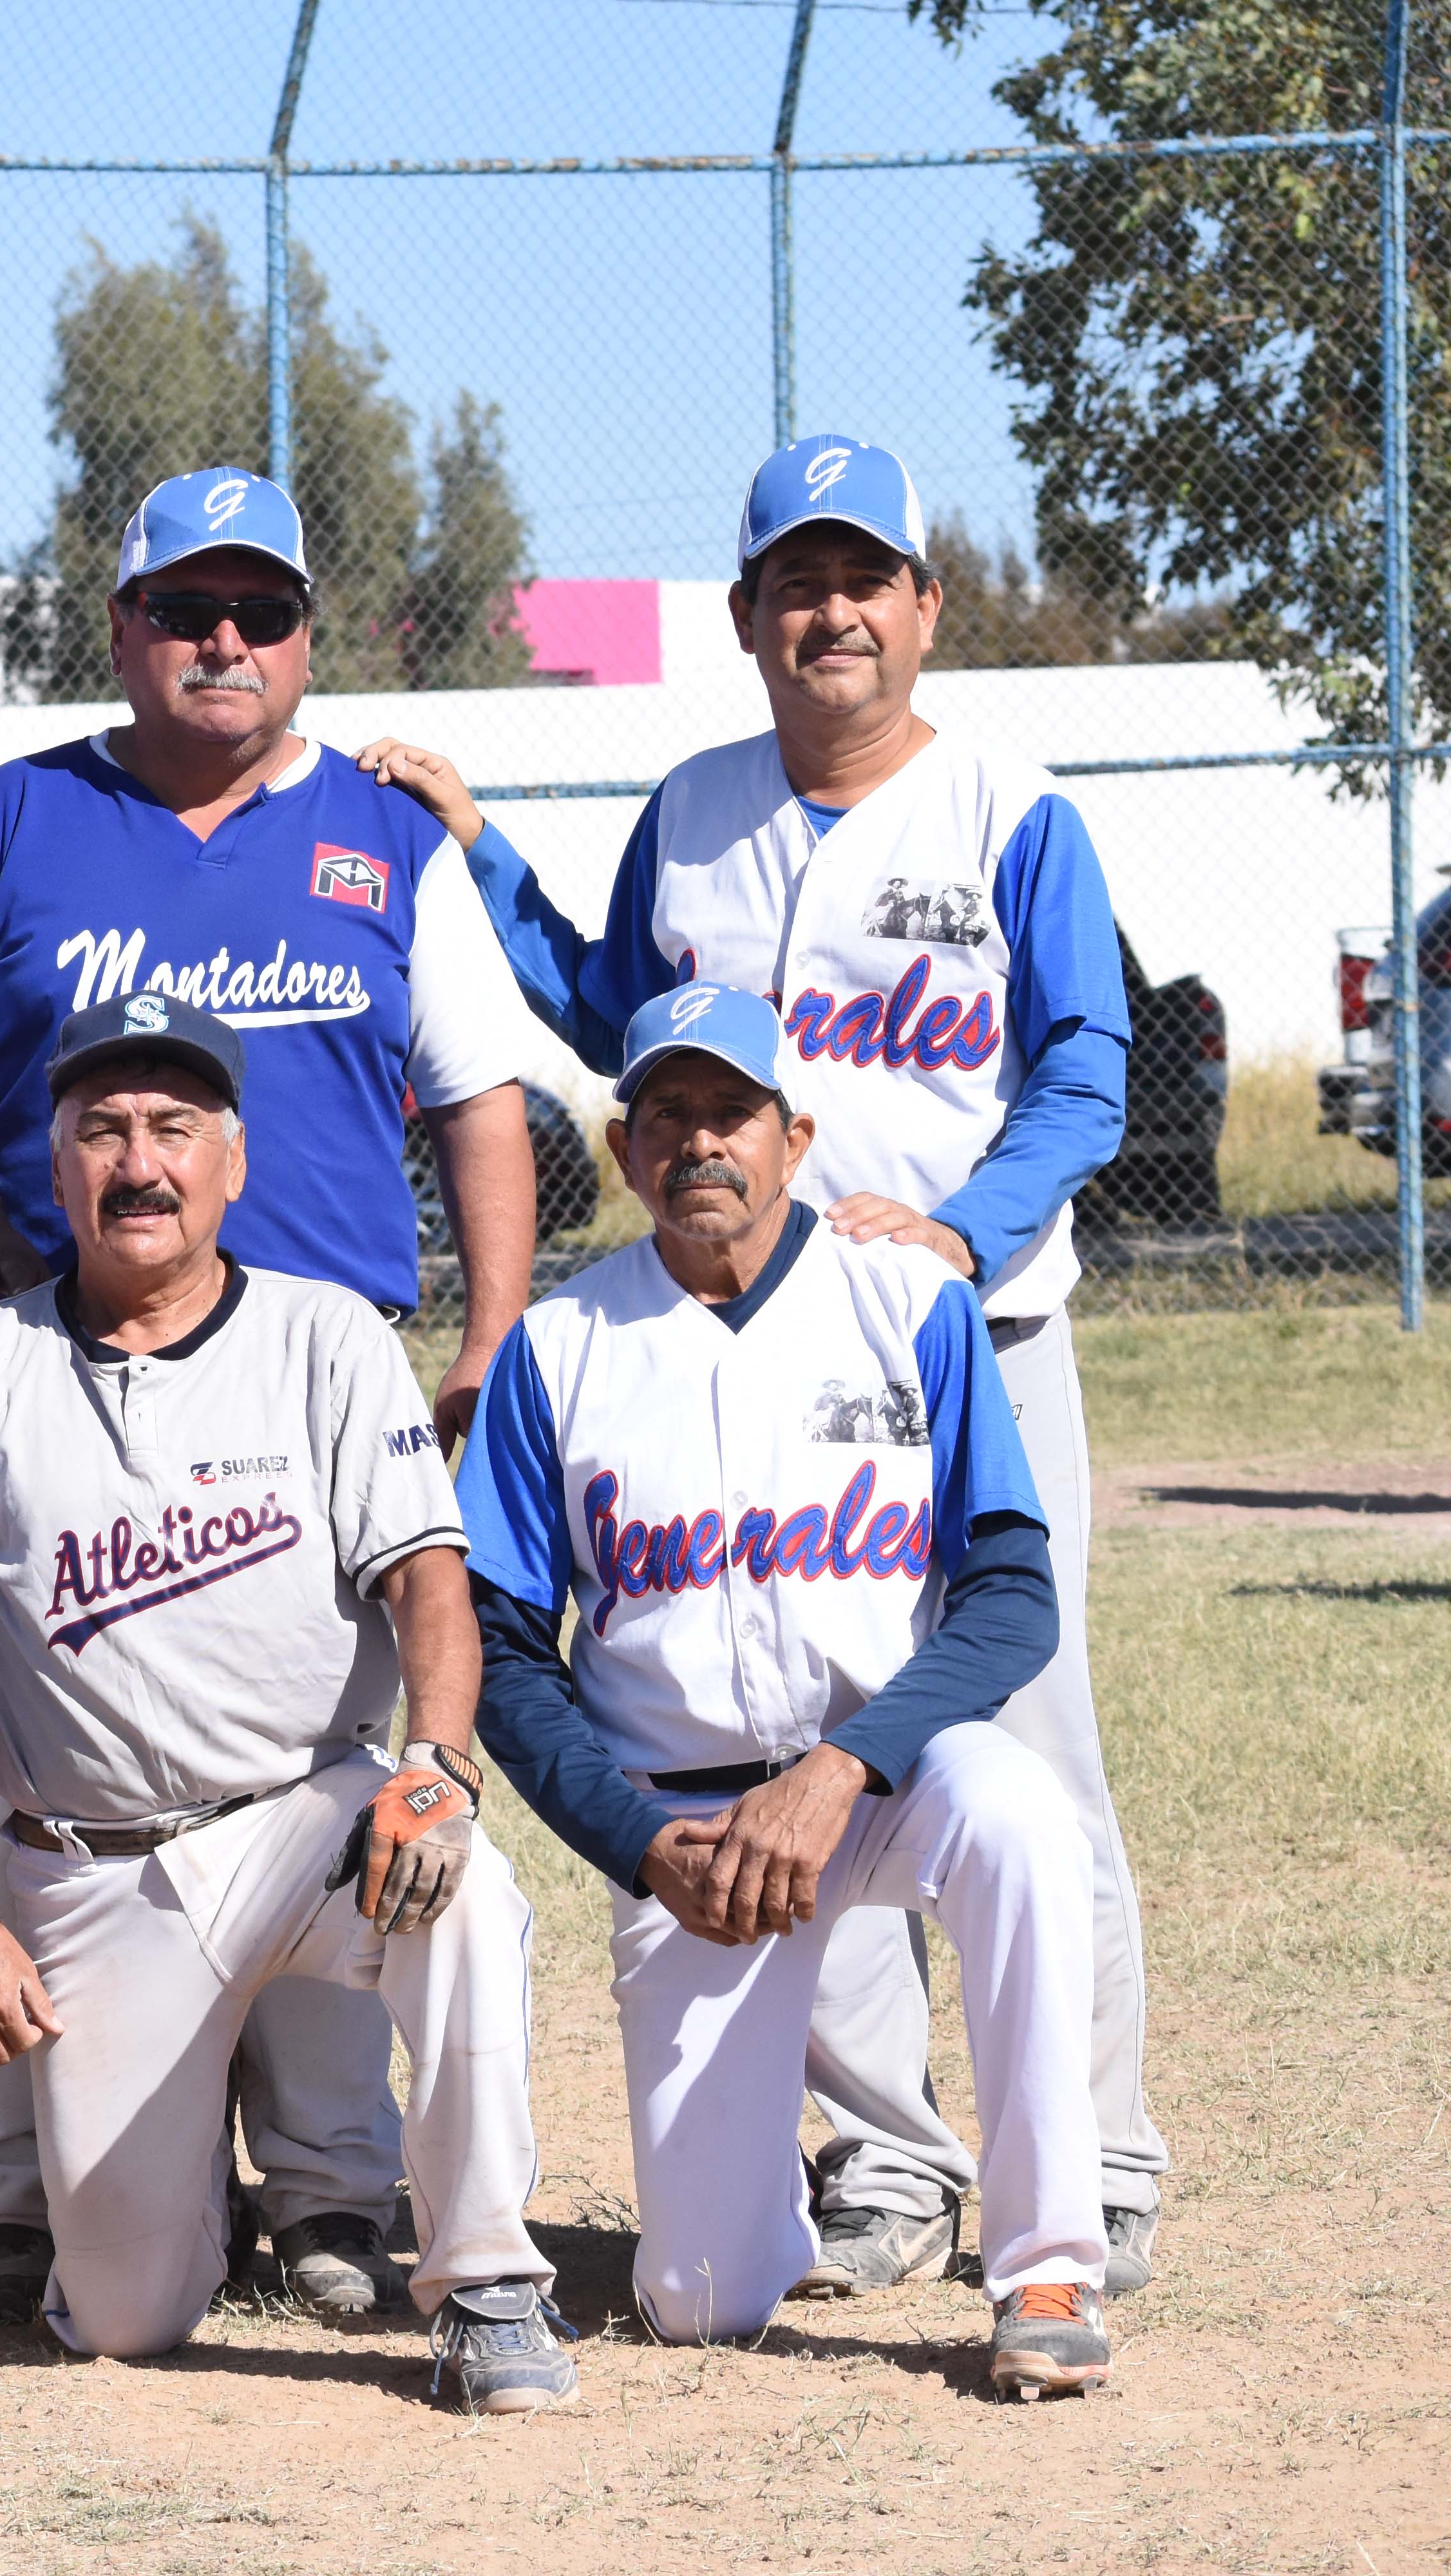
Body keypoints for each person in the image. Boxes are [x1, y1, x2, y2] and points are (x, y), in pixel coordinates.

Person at [379, 434, 1162, 2297]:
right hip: (720, 1324)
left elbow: (1087, 1064)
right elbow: (608, 1015)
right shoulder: (699, 805)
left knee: (1014, 1753)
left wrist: (966, 1232)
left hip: (961, 1325)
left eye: (865, 577)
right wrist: (484, 861)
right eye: (797, 583)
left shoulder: (1011, 807)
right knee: (761, 1711)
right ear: (746, 619)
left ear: (924, 606)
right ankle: (889, 2155)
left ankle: (1100, 2154)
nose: (834, 610)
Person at [0, 464, 548, 2322]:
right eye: (187, 609)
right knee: (46, 1753)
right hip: (68, 1346)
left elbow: (479, 1096)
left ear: (309, 639)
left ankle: (332, 2196)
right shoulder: (19, 817)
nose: (225, 640)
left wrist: (487, 1332)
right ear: (125, 628)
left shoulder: (389, 843)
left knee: (323, 1759)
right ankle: (12, 2190)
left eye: (263, 612)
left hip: (316, 1357)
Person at [0, 988, 569, 2409]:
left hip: (294, 1823)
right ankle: (160, 2200)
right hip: (87, 1868)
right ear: (53, 1163)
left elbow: (431, 1582)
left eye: (175, 1127)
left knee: (466, 1889)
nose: (141, 1161)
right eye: (104, 1128)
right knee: (128, 2314)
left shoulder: (326, 1337)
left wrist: (436, 1760)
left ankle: (490, 2277)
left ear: (232, 1162)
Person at [455, 984, 1111, 2397]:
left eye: (733, 1111)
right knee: (702, 2296)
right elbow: (499, 1643)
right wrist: (635, 1842)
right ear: (627, 1150)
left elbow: (1011, 1594)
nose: (705, 1142)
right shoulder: (559, 1347)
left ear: (793, 1135)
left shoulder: (911, 1298)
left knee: (1023, 1819)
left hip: (885, 1779)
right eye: (671, 1115)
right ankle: (778, 2186)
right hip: (689, 1835)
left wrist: (843, 1768)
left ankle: (1048, 2258)